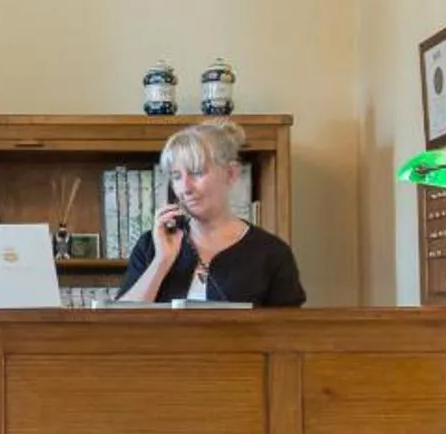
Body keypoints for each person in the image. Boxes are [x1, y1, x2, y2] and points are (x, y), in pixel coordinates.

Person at [117, 119, 306, 306]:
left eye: (197, 173)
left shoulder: (271, 252)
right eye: (176, 176)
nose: (185, 188)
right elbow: (119, 321)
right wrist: (161, 261)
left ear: (230, 174)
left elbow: (289, 324)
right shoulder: (151, 245)